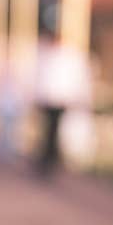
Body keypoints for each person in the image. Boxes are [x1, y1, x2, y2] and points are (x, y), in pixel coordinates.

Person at [34, 33, 92, 177]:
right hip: (51, 99)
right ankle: (49, 157)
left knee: (53, 129)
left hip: (59, 99)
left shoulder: (65, 58)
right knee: (50, 129)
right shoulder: (50, 58)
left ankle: (51, 157)